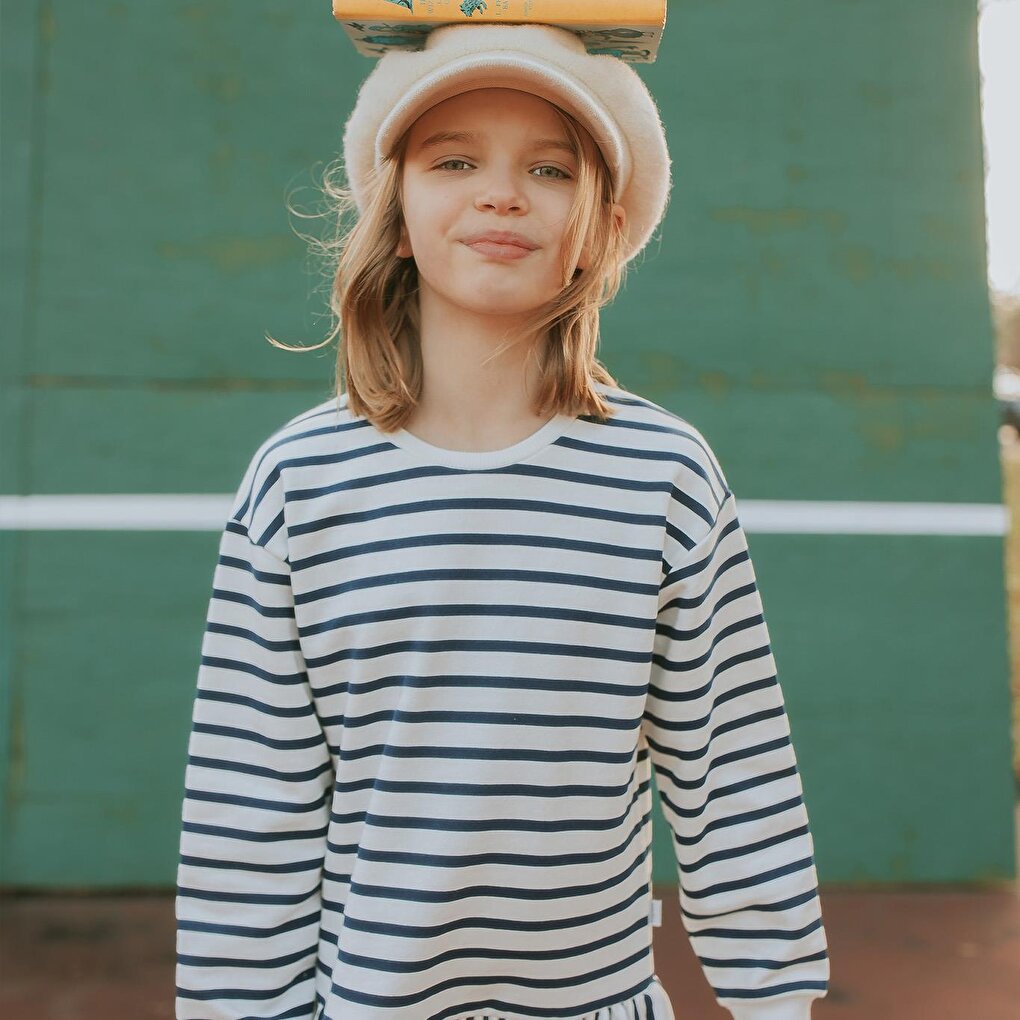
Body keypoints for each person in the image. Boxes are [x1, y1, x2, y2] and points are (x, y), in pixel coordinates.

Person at [174, 22, 830, 1020]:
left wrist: (775, 998)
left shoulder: (665, 477)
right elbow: (249, 820)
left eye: (551, 168)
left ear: (604, 225)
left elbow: (734, 779)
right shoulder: (298, 483)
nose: (501, 193)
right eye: (454, 159)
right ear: (395, 212)